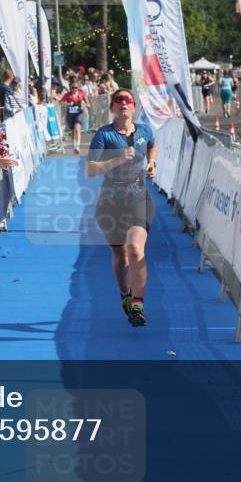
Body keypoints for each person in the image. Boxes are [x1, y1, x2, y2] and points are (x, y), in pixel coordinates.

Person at [85, 89, 158, 328]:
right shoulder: (104, 135)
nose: (123, 104)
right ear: (112, 108)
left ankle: (138, 303)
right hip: (111, 201)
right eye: (118, 101)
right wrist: (116, 159)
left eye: (127, 101)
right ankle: (125, 294)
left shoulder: (144, 130)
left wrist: (152, 162)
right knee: (120, 257)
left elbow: (152, 145)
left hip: (138, 197)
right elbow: (90, 169)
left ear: (134, 106)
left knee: (136, 249)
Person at [59, 81, 88, 154]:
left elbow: (88, 103)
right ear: (70, 88)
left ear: (77, 88)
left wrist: (84, 104)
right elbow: (61, 102)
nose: (74, 89)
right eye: (72, 88)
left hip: (79, 113)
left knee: (77, 129)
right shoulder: (67, 95)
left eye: (75, 87)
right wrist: (68, 103)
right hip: (71, 114)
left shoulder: (81, 93)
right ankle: (74, 145)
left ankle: (77, 146)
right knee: (73, 131)